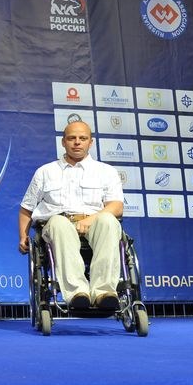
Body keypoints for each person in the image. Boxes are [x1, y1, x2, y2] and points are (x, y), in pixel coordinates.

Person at [18, 121, 124, 310]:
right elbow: (26, 209)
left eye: (82, 138)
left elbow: (116, 206)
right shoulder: (45, 172)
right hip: (57, 224)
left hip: (95, 222)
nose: (77, 142)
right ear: (63, 142)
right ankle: (77, 292)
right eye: (72, 138)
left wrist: (92, 219)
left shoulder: (106, 171)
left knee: (109, 220)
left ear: (90, 142)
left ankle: (104, 292)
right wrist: (23, 236)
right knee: (59, 222)